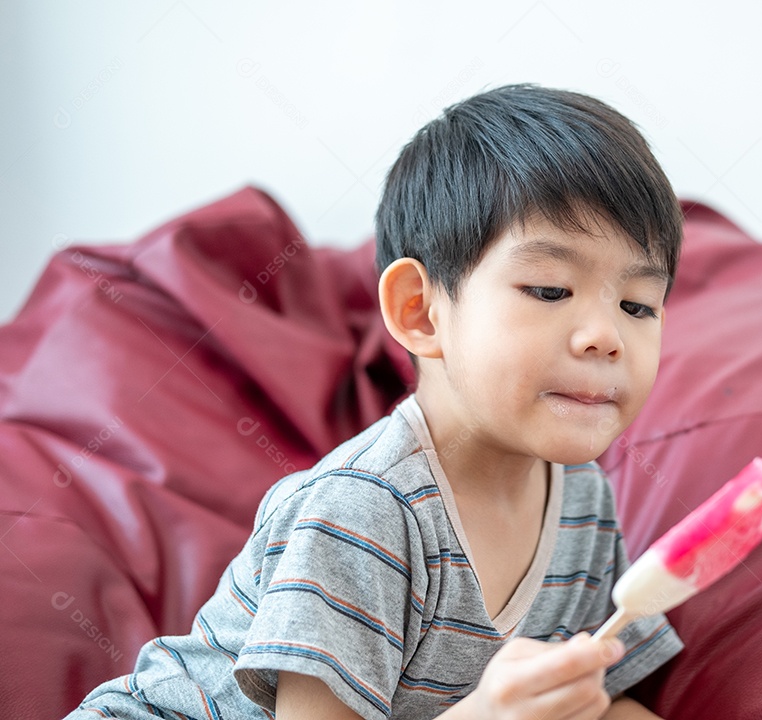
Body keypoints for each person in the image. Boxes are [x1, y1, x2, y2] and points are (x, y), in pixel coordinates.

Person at [67, 83, 685, 720]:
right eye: (551, 290)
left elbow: (608, 706)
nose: (606, 337)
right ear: (420, 312)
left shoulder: (584, 501)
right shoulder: (366, 510)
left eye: (638, 305)